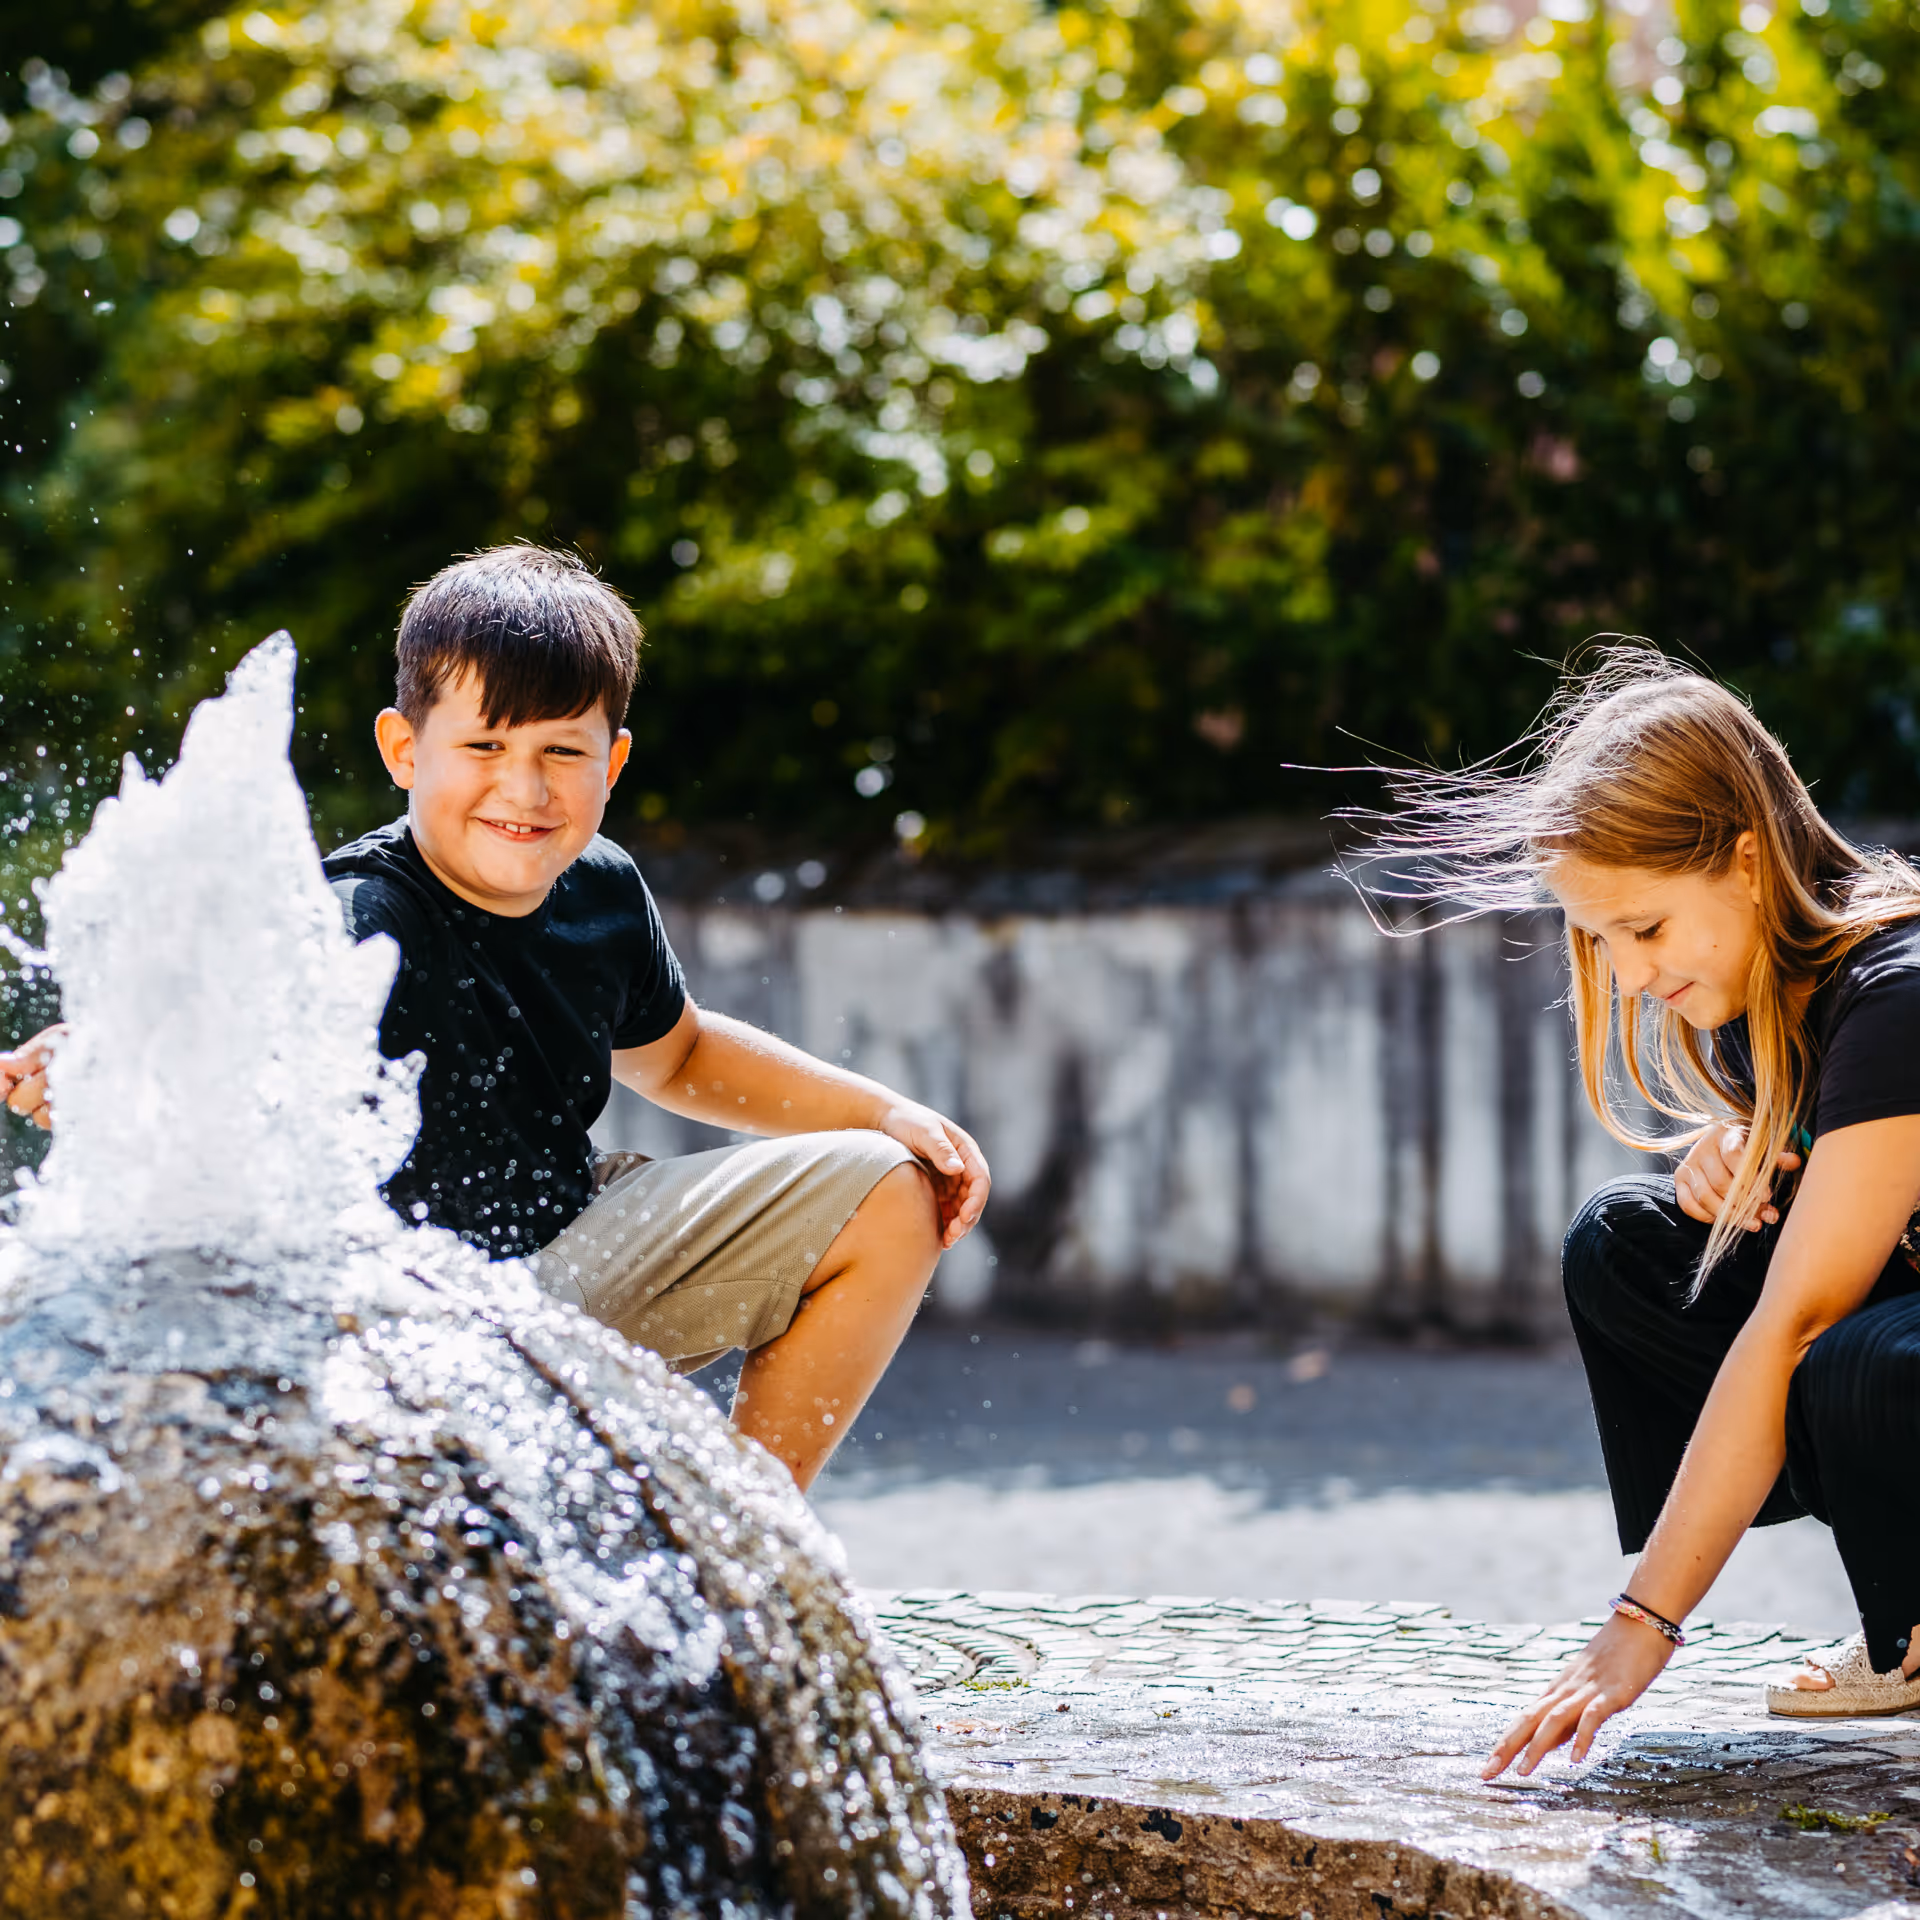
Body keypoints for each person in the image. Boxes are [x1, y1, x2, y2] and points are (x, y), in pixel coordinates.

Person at [0, 543, 990, 1492]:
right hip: (404, 1327)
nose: (524, 787)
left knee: (891, 1186)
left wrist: (881, 1112)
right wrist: (103, 1059)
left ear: (614, 759)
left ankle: (749, 1549)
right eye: (484, 745)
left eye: (564, 750)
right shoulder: (355, 917)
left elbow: (680, 1054)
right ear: (404, 747)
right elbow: (230, 1029)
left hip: (573, 1259)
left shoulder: (600, 887)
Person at [1351, 648, 1920, 1778]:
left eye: (1647, 930)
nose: (1628, 973)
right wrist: (1765, 1153)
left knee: (1849, 1353)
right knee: (1625, 1246)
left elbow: (1801, 1323)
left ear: (1749, 864)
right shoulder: (1757, 1003)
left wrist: (1639, 1626)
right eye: (1602, 940)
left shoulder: (1899, 990)